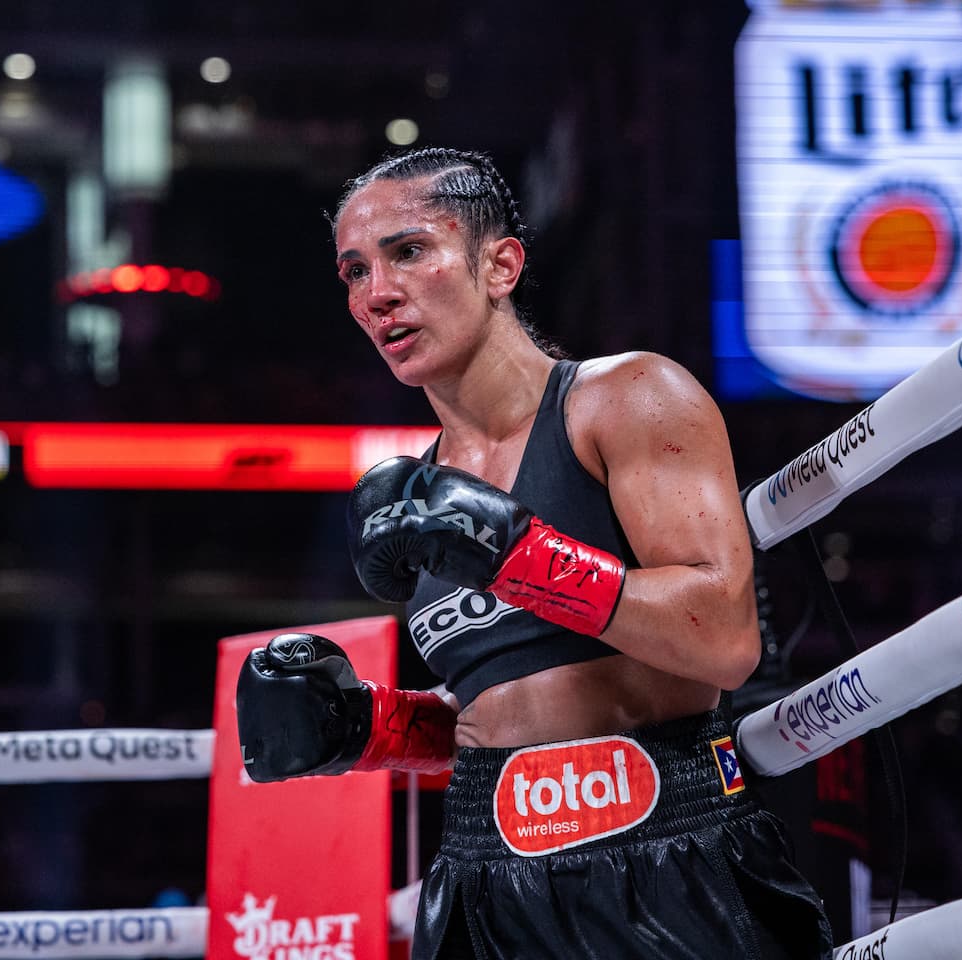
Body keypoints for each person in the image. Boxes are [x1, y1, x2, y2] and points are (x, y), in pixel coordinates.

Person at [236, 147, 833, 959]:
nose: (377, 294)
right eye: (353, 272)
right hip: (480, 877)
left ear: (500, 264)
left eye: (408, 251)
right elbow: (500, 709)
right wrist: (369, 727)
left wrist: (522, 557)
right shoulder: (417, 495)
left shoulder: (627, 399)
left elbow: (721, 641)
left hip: (658, 854)